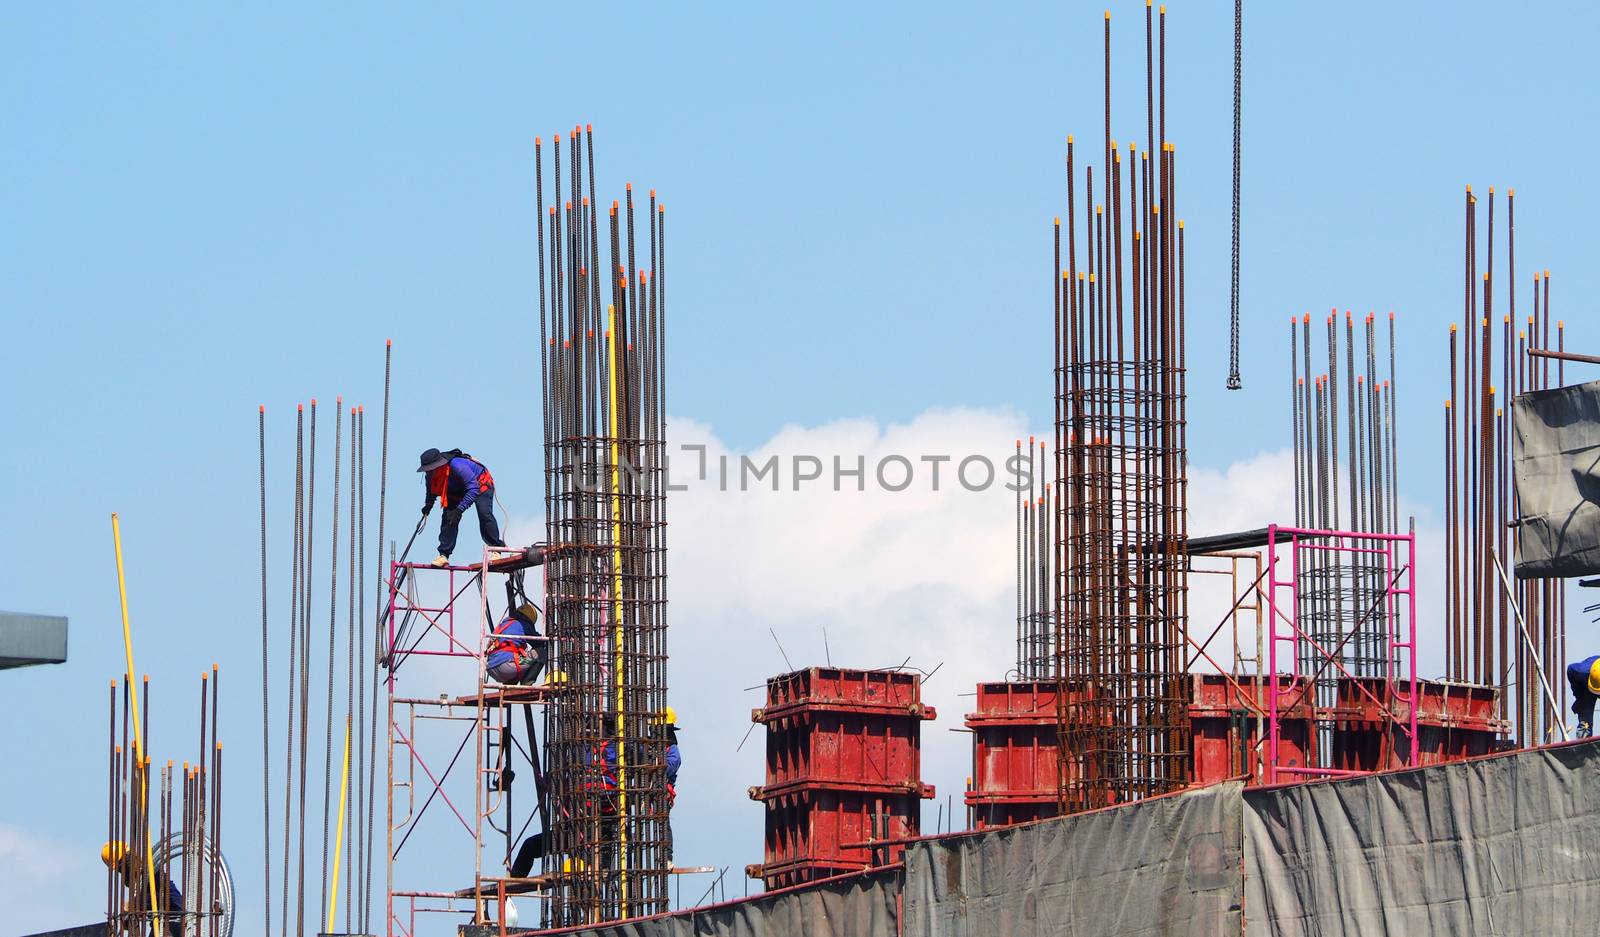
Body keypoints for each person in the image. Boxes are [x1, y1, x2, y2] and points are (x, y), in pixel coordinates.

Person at [418, 447, 505, 567]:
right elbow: (431, 492)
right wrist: (428, 506)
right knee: (449, 518)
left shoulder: (457, 466)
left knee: (484, 513)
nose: (428, 473)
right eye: (427, 470)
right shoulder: (430, 475)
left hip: (479, 484)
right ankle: (443, 555)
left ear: (438, 465)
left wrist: (460, 509)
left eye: (430, 470)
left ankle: (496, 549)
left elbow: (473, 489)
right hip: (456, 490)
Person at [103, 841, 185, 937]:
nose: (122, 872)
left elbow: (161, 895)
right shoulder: (139, 880)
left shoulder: (151, 871)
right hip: (162, 922)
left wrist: (134, 905)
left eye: (121, 866)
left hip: (174, 919)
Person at [487, 603, 547, 686]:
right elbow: (538, 641)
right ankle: (527, 683)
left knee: (517, 656)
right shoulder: (523, 624)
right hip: (507, 666)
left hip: (490, 668)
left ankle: (509, 686)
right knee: (541, 653)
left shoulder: (503, 625)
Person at [1567, 655, 1600, 738]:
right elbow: (1570, 669)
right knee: (1585, 722)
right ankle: (1584, 746)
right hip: (1587, 687)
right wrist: (1579, 696)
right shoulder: (1581, 672)